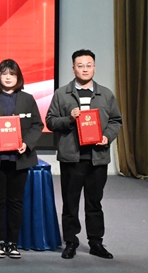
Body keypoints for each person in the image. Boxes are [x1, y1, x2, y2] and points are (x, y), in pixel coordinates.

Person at [46, 49, 122, 260]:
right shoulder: (62, 93)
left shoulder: (106, 94)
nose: (85, 69)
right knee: (70, 203)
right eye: (80, 65)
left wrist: (107, 136)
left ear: (94, 67)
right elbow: (50, 121)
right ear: (73, 68)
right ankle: (71, 242)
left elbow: (116, 121)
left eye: (89, 65)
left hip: (97, 157)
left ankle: (96, 242)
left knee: (94, 202)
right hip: (72, 157)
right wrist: (69, 119)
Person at [0, 59, 44, 259]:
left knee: (15, 201)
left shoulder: (28, 98)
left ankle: (13, 242)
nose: (8, 77)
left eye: (12, 74)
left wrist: (27, 143)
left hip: (19, 158)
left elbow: (37, 125)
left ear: (18, 77)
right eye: (4, 73)